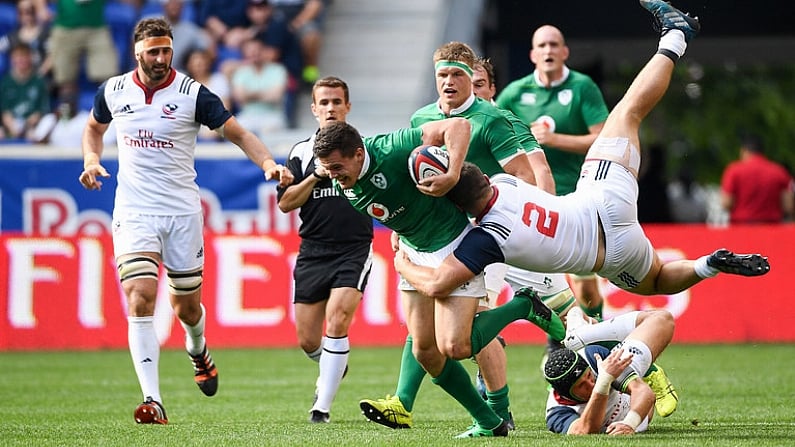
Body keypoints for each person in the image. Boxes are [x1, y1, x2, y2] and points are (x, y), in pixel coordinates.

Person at [394, 0, 771, 351]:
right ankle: (674, 37)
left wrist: (401, 260)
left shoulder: (485, 239)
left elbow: (441, 282)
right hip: (599, 196)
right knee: (627, 113)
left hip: (606, 254)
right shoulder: (508, 184)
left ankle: (706, 266)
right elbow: (533, 176)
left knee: (656, 279)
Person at [77, 17, 292, 424]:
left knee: (186, 308)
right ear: (137, 52)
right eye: (153, 51)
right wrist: (91, 159)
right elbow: (93, 128)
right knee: (140, 295)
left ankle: (198, 350)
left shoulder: (192, 93)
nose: (161, 58)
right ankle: (153, 401)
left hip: (181, 214)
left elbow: (240, 133)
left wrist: (267, 163)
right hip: (134, 211)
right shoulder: (114, 90)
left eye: (166, 51)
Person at [359, 42, 564, 433]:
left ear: (472, 77)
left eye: (457, 74)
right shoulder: (422, 118)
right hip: (435, 235)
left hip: (483, 235)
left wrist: (502, 226)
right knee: (437, 329)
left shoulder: (492, 119)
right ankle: (450, 409)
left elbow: (522, 176)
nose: (449, 81)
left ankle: (496, 411)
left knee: (466, 336)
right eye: (442, 75)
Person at [314, 119, 565, 438]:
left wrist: (452, 173)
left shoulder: (392, 148)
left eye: (337, 167)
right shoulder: (338, 175)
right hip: (413, 248)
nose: (334, 176)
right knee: (425, 352)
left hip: (452, 245)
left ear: (359, 154)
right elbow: (391, 202)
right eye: (328, 169)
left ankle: (523, 306)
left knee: (457, 346)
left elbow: (459, 126)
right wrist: (398, 231)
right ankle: (489, 422)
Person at [496, 22, 610, 322]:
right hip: (530, 203)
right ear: (533, 54)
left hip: (576, 197)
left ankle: (599, 336)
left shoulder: (582, 87)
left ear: (564, 52)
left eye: (554, 45)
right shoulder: (515, 94)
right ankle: (559, 342)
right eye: (542, 46)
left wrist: (554, 140)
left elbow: (603, 137)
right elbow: (491, 132)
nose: (548, 50)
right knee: (540, 284)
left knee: (585, 287)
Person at [276, 76, 373, 424]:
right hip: (313, 249)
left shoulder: (365, 148)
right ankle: (334, 363)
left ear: (347, 107)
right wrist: (316, 176)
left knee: (338, 319)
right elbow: (286, 203)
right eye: (325, 103)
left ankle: (322, 407)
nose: (331, 108)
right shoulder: (300, 152)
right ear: (314, 109)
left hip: (354, 248)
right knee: (307, 340)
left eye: (337, 102)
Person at [544, 307, 675, 434]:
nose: (591, 384)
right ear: (565, 394)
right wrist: (604, 381)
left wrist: (629, 424)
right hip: (641, 412)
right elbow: (585, 430)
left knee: (662, 319)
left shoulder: (594, 359)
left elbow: (644, 392)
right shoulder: (556, 412)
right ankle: (581, 331)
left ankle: (581, 334)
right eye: (581, 386)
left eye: (589, 376)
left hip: (631, 396)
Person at [32, 0, 119, 107]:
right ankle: (67, 113)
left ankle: (111, 112)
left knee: (107, 75)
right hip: (66, 28)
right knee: (65, 78)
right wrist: (41, 8)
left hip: (97, 28)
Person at [719, 135, 795, 224]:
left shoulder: (733, 171)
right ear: (762, 151)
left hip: (741, 228)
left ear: (743, 151)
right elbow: (788, 206)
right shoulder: (779, 172)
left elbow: (726, 203)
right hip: (771, 228)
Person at [230, 37, 289, 136]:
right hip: (247, 115)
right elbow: (239, 97)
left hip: (272, 116)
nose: (254, 53)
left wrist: (250, 95)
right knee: (236, 129)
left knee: (271, 131)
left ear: (264, 51)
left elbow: (276, 96)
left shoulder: (278, 70)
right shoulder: (241, 72)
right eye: (251, 51)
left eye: (257, 50)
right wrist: (265, 93)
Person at [0, 42, 51, 141]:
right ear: (12, 59)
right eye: (17, 56)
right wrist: (12, 126)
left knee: (39, 132)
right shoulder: (5, 83)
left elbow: (42, 110)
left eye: (24, 56)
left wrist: (28, 124)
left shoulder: (39, 82)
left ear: (30, 58)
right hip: (9, 127)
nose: (21, 60)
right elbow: (4, 111)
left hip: (33, 127)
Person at [183, 48, 231, 141]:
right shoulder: (184, 84)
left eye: (202, 63)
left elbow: (226, 108)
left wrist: (216, 130)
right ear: (189, 65)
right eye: (196, 64)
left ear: (208, 63)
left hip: (215, 126)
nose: (200, 66)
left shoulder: (218, 80)